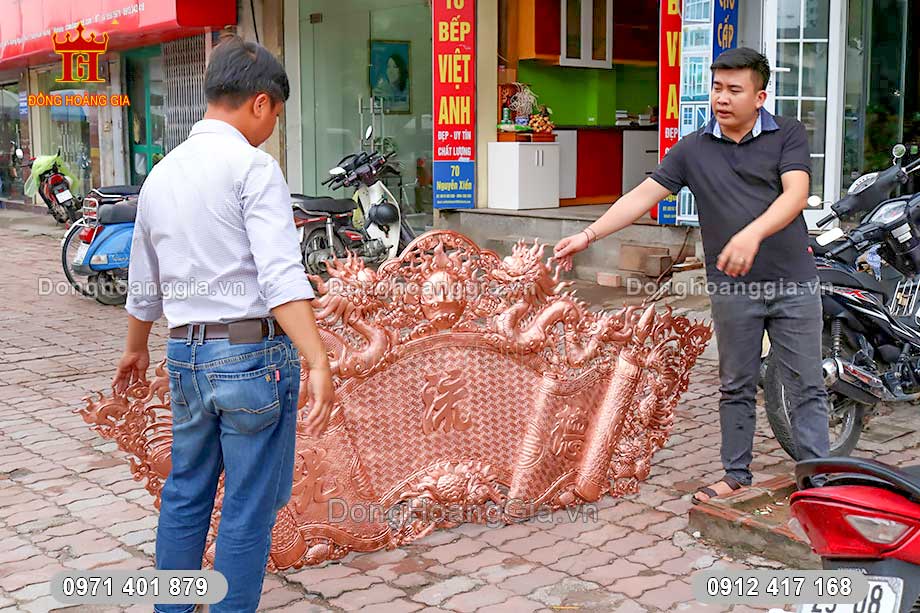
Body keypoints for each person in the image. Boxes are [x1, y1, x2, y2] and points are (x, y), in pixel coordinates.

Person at [111, 35, 335, 613]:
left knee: (185, 494)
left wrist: (136, 349)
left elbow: (145, 282)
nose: (273, 129)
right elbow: (282, 279)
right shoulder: (254, 169)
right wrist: (316, 357)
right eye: (276, 115)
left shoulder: (161, 175)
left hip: (186, 359)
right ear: (260, 103)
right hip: (250, 361)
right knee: (246, 506)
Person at [554, 47, 829, 503]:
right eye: (717, 87)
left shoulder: (788, 135)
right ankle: (736, 474)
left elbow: (796, 194)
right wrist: (589, 234)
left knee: (805, 384)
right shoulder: (693, 149)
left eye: (734, 90)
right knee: (736, 384)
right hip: (732, 287)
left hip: (791, 281)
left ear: (760, 97)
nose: (722, 98)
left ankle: (820, 480)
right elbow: (643, 195)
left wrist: (751, 235)